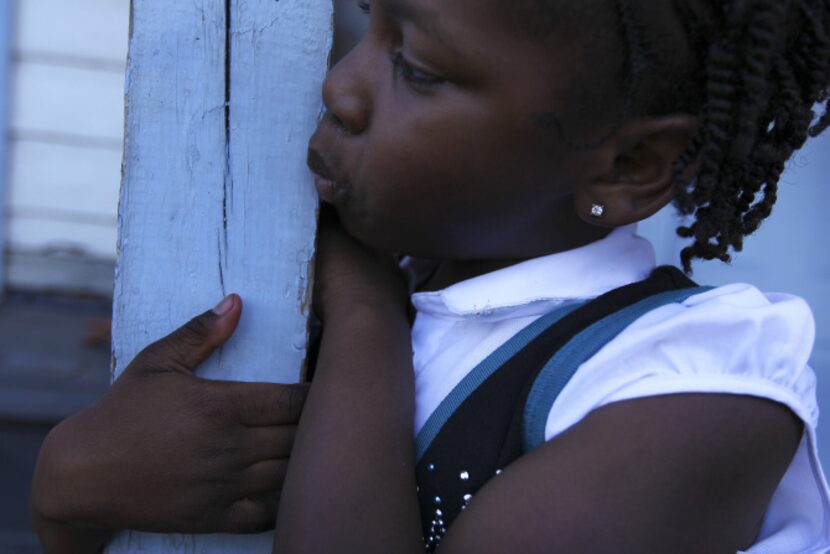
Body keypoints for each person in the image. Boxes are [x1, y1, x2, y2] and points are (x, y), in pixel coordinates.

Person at [30, 0, 830, 552]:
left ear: (630, 166)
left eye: (415, 68)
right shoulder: (303, 278)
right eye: (367, 19)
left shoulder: (695, 388)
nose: (339, 86)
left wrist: (368, 318)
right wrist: (69, 499)